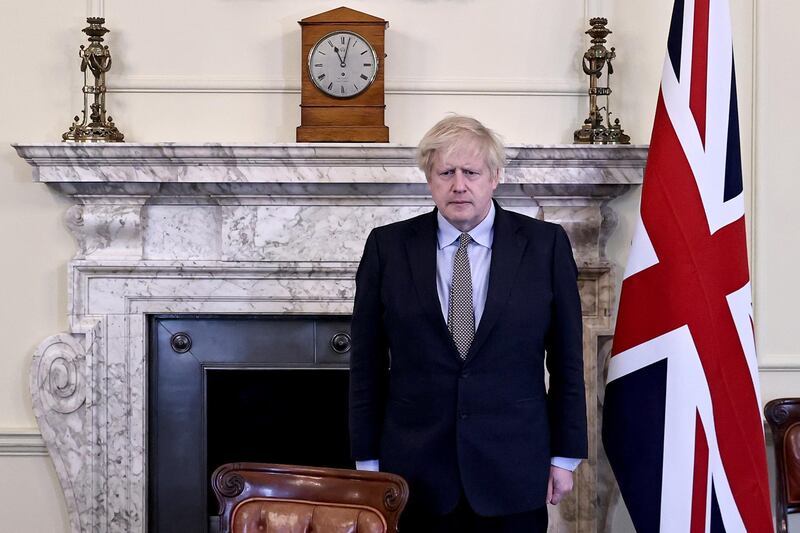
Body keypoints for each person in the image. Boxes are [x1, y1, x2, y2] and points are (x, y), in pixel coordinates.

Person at [349, 115, 587, 532]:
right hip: (413, 476)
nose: (459, 185)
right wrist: (367, 463)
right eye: (446, 172)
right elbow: (366, 367)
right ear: (429, 179)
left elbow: (568, 362)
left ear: (494, 177)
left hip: (514, 471)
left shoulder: (545, 246)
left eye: (471, 172)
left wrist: (563, 458)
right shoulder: (387, 248)